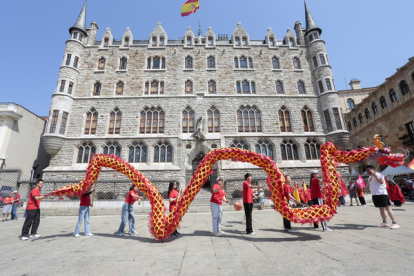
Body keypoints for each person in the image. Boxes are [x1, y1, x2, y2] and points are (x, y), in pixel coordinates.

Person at [365, 165, 400, 229]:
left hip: (382, 194)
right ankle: (385, 222)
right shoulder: (370, 177)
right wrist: (366, 189)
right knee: (381, 208)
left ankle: (394, 223)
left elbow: (381, 182)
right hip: (375, 194)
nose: (367, 171)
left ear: (373, 169)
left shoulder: (379, 174)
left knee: (387, 208)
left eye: (368, 169)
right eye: (366, 170)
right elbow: (373, 186)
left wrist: (375, 176)